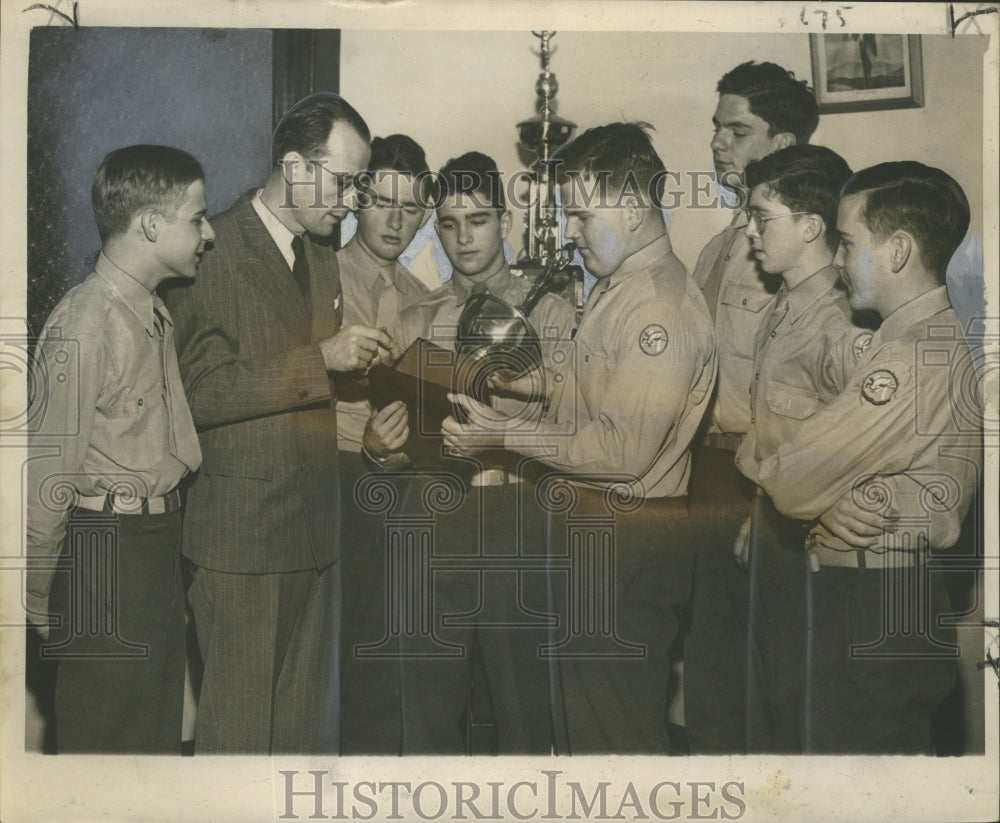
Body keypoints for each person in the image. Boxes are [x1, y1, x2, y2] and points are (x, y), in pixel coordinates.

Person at [447, 123, 716, 753]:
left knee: (611, 743)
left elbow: (622, 451)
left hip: (628, 542)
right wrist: (510, 385)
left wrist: (503, 433)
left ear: (631, 206)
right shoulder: (619, 290)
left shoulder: (659, 310)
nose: (568, 230)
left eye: (581, 214)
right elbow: (582, 375)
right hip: (596, 538)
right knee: (579, 737)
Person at [166, 92, 393, 754]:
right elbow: (200, 392)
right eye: (345, 182)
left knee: (301, 746)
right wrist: (322, 360)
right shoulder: (212, 249)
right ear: (295, 168)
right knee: (236, 743)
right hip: (241, 544)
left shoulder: (320, 252)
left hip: (316, 539)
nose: (352, 202)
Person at [744, 162, 982, 753]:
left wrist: (803, 484)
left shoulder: (905, 359)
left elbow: (797, 481)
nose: (840, 261)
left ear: (898, 250)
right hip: (894, 594)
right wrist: (837, 491)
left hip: (869, 602)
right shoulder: (931, 337)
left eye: (848, 244)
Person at [380, 151, 575, 754]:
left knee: (523, 713)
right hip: (436, 514)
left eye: (479, 220)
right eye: (448, 223)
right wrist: (378, 447)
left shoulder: (552, 311)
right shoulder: (413, 314)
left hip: (519, 516)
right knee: (428, 706)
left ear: (507, 221)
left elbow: (577, 415)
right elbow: (394, 438)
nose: (463, 237)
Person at [25, 144, 211, 753]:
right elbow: (46, 482)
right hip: (103, 552)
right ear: (151, 225)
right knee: (104, 742)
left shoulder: (152, 312)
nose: (207, 233)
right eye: (196, 218)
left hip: (155, 547)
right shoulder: (84, 323)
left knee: (153, 737)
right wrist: (35, 594)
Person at [684, 61, 820, 753]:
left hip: (766, 485)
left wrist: (767, 502)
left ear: (785, 143)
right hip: (706, 479)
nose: (717, 144)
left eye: (738, 131)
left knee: (776, 687)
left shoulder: (805, 253)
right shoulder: (718, 247)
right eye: (716, 128)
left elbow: (805, 394)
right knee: (711, 676)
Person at [718, 144, 857, 750]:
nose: (748, 230)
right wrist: (758, 515)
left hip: (823, 551)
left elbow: (858, 453)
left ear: (810, 226)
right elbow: (773, 429)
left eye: (761, 217)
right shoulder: (782, 308)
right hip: (775, 532)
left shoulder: (847, 324)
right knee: (770, 703)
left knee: (815, 715)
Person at [335, 134, 431, 754]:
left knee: (391, 659)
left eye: (411, 206)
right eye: (382, 201)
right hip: (331, 485)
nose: (397, 220)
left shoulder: (426, 302)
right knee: (334, 660)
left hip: (404, 493)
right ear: (356, 200)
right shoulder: (318, 279)